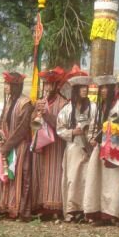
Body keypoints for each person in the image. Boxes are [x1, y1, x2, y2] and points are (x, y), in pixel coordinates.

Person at [84, 75, 119, 226]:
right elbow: (94, 125)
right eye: (101, 88)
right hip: (100, 148)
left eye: (106, 88)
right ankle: (99, 212)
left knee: (114, 181)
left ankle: (114, 214)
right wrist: (93, 138)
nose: (103, 91)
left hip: (115, 149)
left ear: (112, 90)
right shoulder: (99, 107)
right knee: (97, 179)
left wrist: (104, 133)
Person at [57, 68, 95, 223]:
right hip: (73, 148)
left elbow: (96, 126)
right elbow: (60, 129)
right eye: (82, 88)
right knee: (73, 178)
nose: (85, 90)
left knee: (87, 178)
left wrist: (89, 134)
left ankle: (87, 209)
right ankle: (72, 210)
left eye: (86, 87)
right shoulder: (67, 110)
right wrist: (73, 132)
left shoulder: (93, 108)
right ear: (75, 90)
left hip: (89, 148)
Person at [31, 67, 68, 217]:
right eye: (45, 84)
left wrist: (47, 115)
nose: (47, 88)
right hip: (41, 143)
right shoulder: (40, 101)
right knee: (40, 172)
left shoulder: (64, 103)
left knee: (55, 173)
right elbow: (32, 123)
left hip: (56, 145)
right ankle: (40, 204)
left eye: (50, 85)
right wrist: (36, 113)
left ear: (57, 86)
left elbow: (62, 125)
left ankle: (55, 207)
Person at [0, 72, 34, 220]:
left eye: (9, 85)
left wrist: (7, 146)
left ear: (16, 86)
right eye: (5, 84)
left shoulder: (25, 103)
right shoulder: (9, 101)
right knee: (9, 176)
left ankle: (19, 209)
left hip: (21, 146)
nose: (6, 87)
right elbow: (2, 122)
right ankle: (6, 206)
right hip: (8, 144)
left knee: (20, 176)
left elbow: (22, 128)